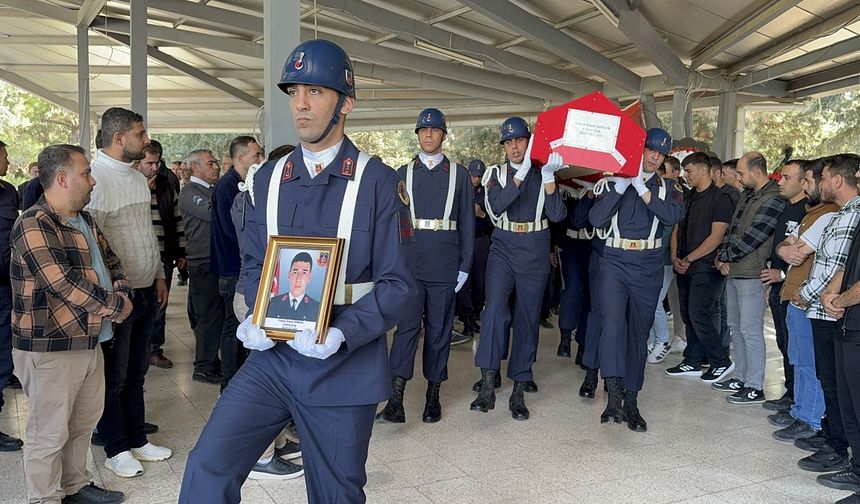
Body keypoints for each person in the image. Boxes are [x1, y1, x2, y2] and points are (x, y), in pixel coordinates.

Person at [179, 38, 416, 503]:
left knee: (334, 493)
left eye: (315, 92)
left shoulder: (378, 183)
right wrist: (255, 317)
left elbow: (398, 286)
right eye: (294, 92)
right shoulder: (268, 179)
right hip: (273, 359)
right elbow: (254, 263)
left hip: (344, 364)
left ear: (345, 102)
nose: (301, 105)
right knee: (207, 466)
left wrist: (342, 332)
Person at [12, 144, 131, 504]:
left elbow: (113, 262)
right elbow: (61, 283)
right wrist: (115, 306)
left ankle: (75, 486)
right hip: (52, 347)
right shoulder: (34, 223)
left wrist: (122, 293)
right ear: (62, 178)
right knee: (48, 433)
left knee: (81, 425)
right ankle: (45, 498)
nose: (92, 181)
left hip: (89, 339)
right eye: (85, 173)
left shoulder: (86, 219)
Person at [87, 108, 172, 478]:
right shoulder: (96, 179)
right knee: (114, 376)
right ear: (119, 138)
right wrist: (111, 297)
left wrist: (158, 275)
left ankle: (137, 438)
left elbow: (146, 235)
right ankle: (115, 447)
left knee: (137, 372)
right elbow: (94, 248)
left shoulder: (137, 179)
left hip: (146, 290)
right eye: (140, 133)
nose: (145, 138)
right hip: (118, 298)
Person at [377, 108, 473, 425]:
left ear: (444, 135)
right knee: (404, 330)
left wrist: (465, 265)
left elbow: (468, 225)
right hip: (409, 264)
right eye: (423, 130)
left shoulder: (459, 175)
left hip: (445, 265)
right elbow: (391, 222)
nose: (428, 135)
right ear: (417, 135)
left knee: (438, 332)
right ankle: (396, 399)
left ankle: (433, 397)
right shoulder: (401, 173)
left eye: (434, 130)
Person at [588, 127, 684, 432]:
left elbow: (671, 216)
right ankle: (612, 398)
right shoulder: (611, 182)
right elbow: (595, 219)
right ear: (638, 149)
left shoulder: (671, 189)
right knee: (613, 325)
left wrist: (642, 189)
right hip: (615, 261)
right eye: (650, 150)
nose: (654, 156)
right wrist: (619, 187)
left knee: (638, 334)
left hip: (648, 264)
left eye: (660, 153)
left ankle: (632, 400)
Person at [471, 117, 567, 421]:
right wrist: (521, 174)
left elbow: (558, 214)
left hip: (536, 245)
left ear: (529, 142)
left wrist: (549, 177)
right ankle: (487, 383)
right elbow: (496, 206)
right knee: (495, 311)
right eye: (509, 142)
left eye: (520, 140)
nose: (514, 146)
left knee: (528, 316)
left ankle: (518, 390)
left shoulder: (544, 174)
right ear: (504, 146)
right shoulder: (494, 175)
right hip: (503, 245)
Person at [792, 155, 860, 474]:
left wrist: (805, 293)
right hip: (824, 306)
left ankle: (837, 446)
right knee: (829, 378)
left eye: (824, 177)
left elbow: (837, 265)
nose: (820, 182)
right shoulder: (841, 213)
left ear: (837, 180)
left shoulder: (852, 214)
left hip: (832, 308)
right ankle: (833, 436)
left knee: (834, 382)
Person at [713, 152, 786, 405]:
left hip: (753, 273)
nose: (738, 178)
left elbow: (755, 235)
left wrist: (726, 256)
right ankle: (741, 377)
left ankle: (755, 385)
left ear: (756, 172)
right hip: (735, 270)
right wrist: (721, 257)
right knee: (736, 327)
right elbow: (733, 231)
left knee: (751, 330)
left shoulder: (774, 198)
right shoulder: (748, 195)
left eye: (742, 173)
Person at [773, 158, 836, 444]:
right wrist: (786, 250)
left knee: (808, 362)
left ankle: (810, 418)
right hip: (794, 294)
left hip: (807, 299)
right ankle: (800, 410)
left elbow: (798, 249)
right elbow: (785, 247)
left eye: (811, 181)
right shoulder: (812, 213)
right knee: (798, 358)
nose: (809, 186)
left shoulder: (830, 214)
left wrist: (790, 249)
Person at [664, 151, 734, 382]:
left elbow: (716, 237)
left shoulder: (720, 199)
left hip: (707, 266)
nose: (686, 176)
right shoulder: (688, 197)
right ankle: (692, 360)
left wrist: (689, 258)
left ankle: (720, 360)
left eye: (689, 171)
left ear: (704, 170)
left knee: (699, 313)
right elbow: (676, 229)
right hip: (684, 265)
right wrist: (675, 257)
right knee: (686, 314)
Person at [819, 156, 860, 502]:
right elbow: (847, 263)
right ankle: (857, 468)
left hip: (856, 319)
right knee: (849, 403)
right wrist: (834, 291)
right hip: (849, 322)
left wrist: (842, 299)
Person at [211, 135, 262, 388]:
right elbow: (235, 231)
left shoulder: (242, 183)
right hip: (233, 269)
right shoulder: (230, 186)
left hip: (238, 267)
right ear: (241, 158)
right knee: (232, 329)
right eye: (256, 155)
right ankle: (229, 384)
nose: (260, 160)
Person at [760, 159, 809, 414]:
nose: (780, 181)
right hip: (778, 285)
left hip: (794, 289)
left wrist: (782, 273)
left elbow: (805, 254)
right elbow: (778, 245)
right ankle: (790, 394)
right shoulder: (785, 208)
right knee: (783, 343)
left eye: (787, 178)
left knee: (796, 348)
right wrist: (772, 276)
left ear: (804, 182)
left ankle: (800, 400)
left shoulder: (808, 211)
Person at [136, 141, 187, 370]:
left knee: (160, 303)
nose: (154, 167)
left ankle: (155, 349)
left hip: (164, 255)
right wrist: (143, 191)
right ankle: (137, 351)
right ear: (138, 163)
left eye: (157, 162)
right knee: (139, 306)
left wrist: (181, 251)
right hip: (138, 256)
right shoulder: (131, 186)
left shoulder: (167, 185)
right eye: (149, 163)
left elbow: (177, 219)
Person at [179, 149, 225, 385]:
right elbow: (213, 213)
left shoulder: (211, 190)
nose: (216, 167)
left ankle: (212, 361)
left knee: (216, 314)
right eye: (210, 163)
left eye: (216, 163)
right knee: (207, 315)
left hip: (215, 261)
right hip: (203, 262)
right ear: (195, 168)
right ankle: (204, 366)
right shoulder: (190, 192)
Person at [454, 159, 492, 344]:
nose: (476, 179)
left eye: (479, 176)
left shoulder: (486, 194)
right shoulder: (458, 191)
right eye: (473, 175)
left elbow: (493, 222)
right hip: (461, 243)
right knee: (463, 283)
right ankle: (467, 320)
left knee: (480, 282)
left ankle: (474, 316)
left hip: (480, 241)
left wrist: (482, 214)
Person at [0, 139, 21, 449]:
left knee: (3, 359)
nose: (7, 160)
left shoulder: (8, 192)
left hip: (5, 288)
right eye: (4, 155)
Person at [266, 252, 321, 321]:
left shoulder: (317, 308)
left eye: (304, 273)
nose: (298, 279)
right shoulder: (273, 303)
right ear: (289, 275)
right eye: (295, 272)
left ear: (309, 277)